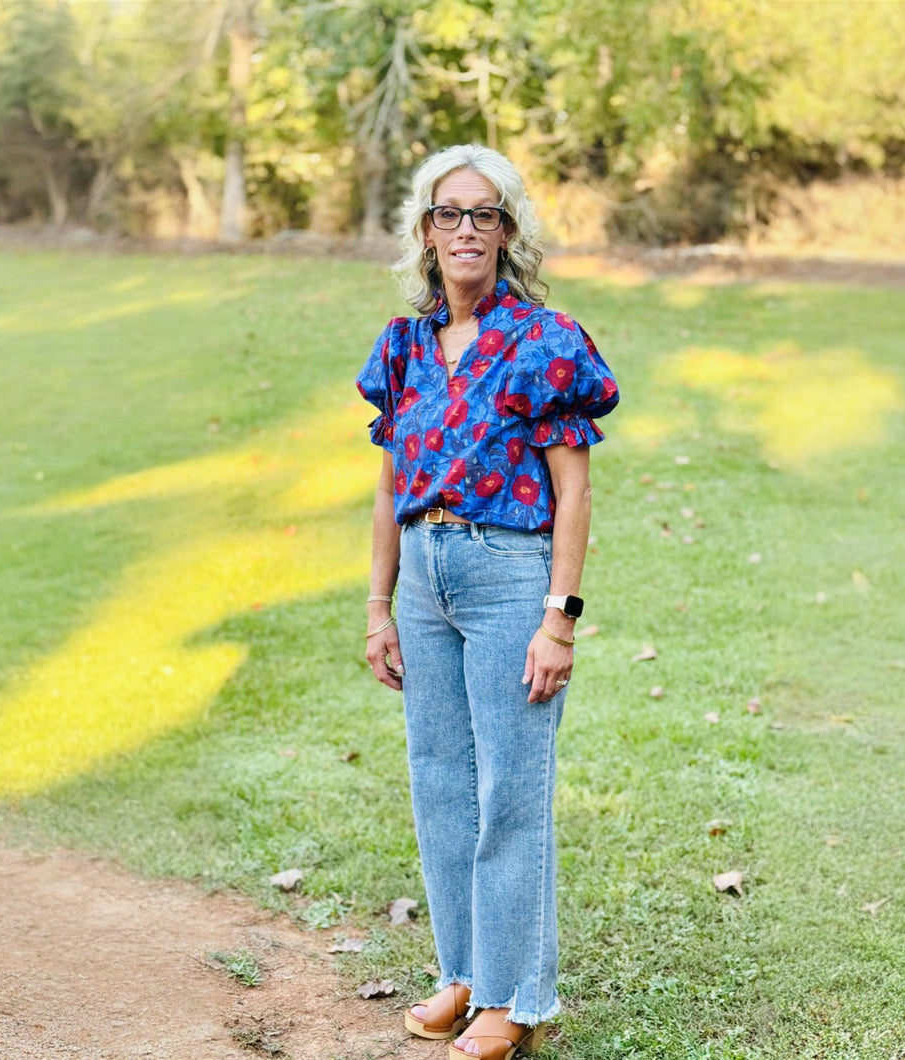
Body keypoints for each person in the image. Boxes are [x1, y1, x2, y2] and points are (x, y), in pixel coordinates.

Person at [356, 143, 618, 1059]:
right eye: (448, 213)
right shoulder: (405, 347)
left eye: (484, 213)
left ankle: (515, 1001)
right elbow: (390, 486)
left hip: (509, 575)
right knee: (439, 780)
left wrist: (559, 619)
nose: (465, 228)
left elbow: (574, 491)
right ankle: (465, 973)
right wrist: (380, 607)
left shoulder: (544, 342)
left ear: (507, 232)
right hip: (424, 579)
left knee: (510, 789)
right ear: (425, 232)